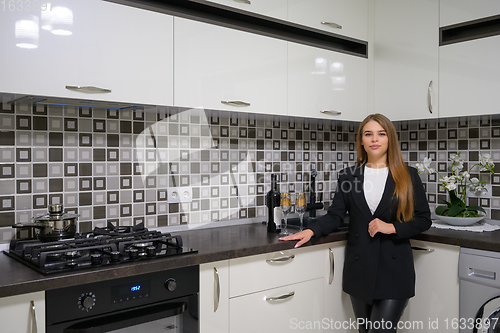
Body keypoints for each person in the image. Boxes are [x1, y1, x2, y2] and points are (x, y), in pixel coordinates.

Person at [280, 113, 431, 333]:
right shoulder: (348, 176)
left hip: (395, 270)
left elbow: (423, 219)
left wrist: (392, 227)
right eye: (368, 134)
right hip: (360, 270)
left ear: (390, 139)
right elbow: (335, 215)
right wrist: (311, 230)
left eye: (381, 133)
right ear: (361, 140)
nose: (374, 139)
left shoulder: (408, 176)